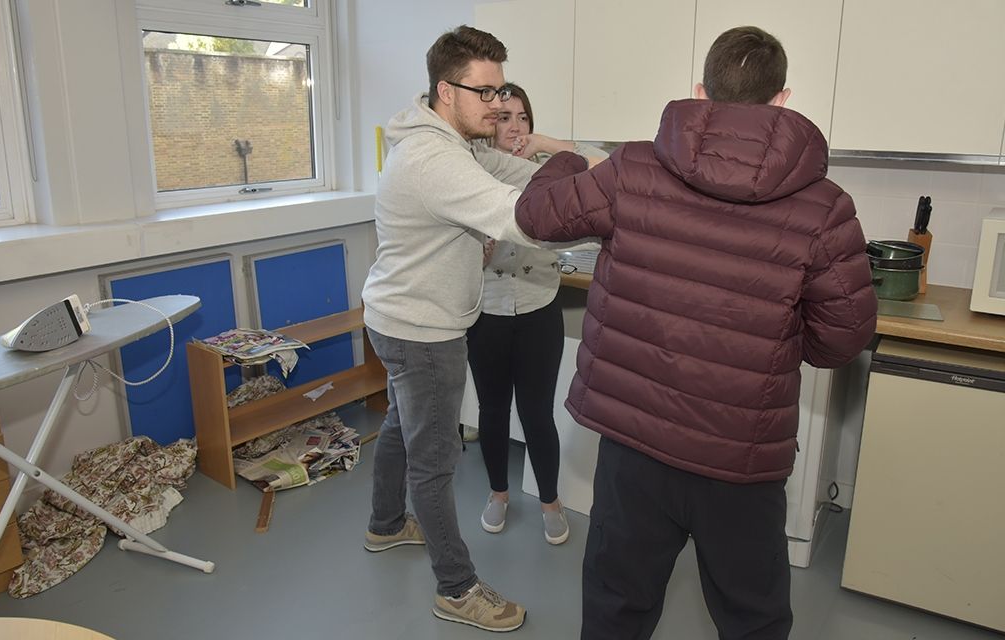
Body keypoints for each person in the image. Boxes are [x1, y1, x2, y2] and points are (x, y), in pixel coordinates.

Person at [515, 26, 878, 640]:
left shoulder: (631, 167)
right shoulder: (825, 205)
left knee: (615, 608)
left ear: (701, 91)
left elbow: (536, 215)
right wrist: (782, 346)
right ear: (782, 99)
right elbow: (844, 336)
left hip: (635, 445)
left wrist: (566, 159)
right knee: (752, 618)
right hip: (739, 455)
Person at [360, 25, 602, 633]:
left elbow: (512, 172)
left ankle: (385, 524)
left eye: (501, 92)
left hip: (395, 316)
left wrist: (567, 160)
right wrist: (585, 197)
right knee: (434, 458)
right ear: (447, 89)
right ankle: (456, 587)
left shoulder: (448, 137)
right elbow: (520, 218)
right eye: (487, 92)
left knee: (400, 426)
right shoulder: (434, 158)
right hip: (423, 330)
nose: (498, 105)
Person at [469, 83, 600, 546]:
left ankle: (550, 501)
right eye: (504, 118)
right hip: (486, 312)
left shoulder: (551, 174)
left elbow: (601, 161)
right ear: (489, 125)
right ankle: (498, 494)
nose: (515, 127)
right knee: (492, 410)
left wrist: (544, 144)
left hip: (539, 307)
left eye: (522, 117)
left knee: (538, 412)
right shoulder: (475, 172)